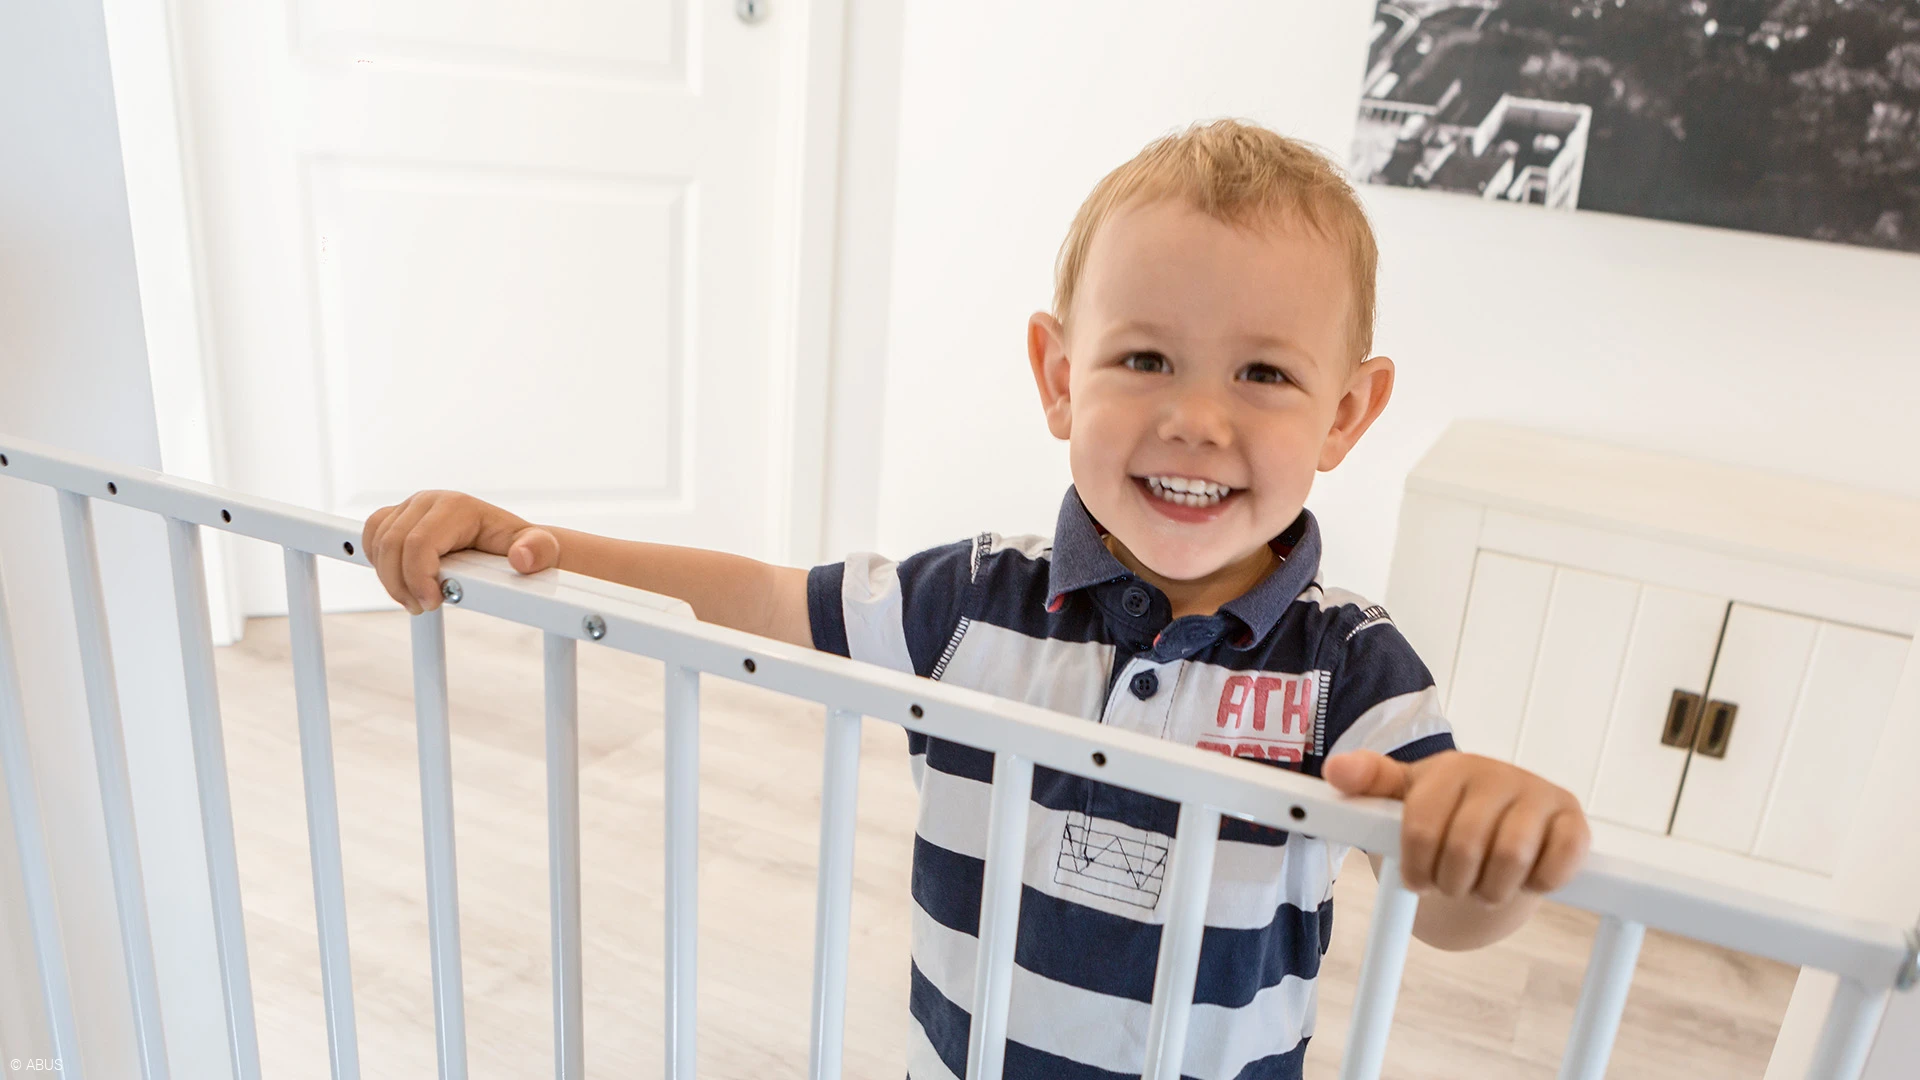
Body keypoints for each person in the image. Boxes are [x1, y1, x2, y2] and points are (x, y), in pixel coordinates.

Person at [362, 119, 1590, 1080]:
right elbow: (755, 599)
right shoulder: (969, 605)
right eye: (1144, 357)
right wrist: (527, 536)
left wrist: (1485, 851)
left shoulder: (1354, 671)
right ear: (1061, 376)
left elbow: (1449, 927)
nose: (1195, 418)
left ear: (1344, 415)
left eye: (1264, 373)